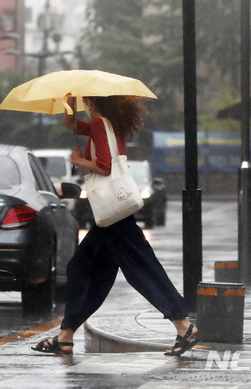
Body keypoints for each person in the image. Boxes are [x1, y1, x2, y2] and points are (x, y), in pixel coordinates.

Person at [31, 95, 200, 357]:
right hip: (109, 217)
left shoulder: (100, 125)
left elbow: (105, 166)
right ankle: (65, 335)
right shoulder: (108, 124)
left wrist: (78, 161)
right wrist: (68, 101)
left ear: (90, 100)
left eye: (83, 100)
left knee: (141, 269)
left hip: (115, 217)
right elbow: (70, 124)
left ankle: (183, 325)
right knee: (82, 267)